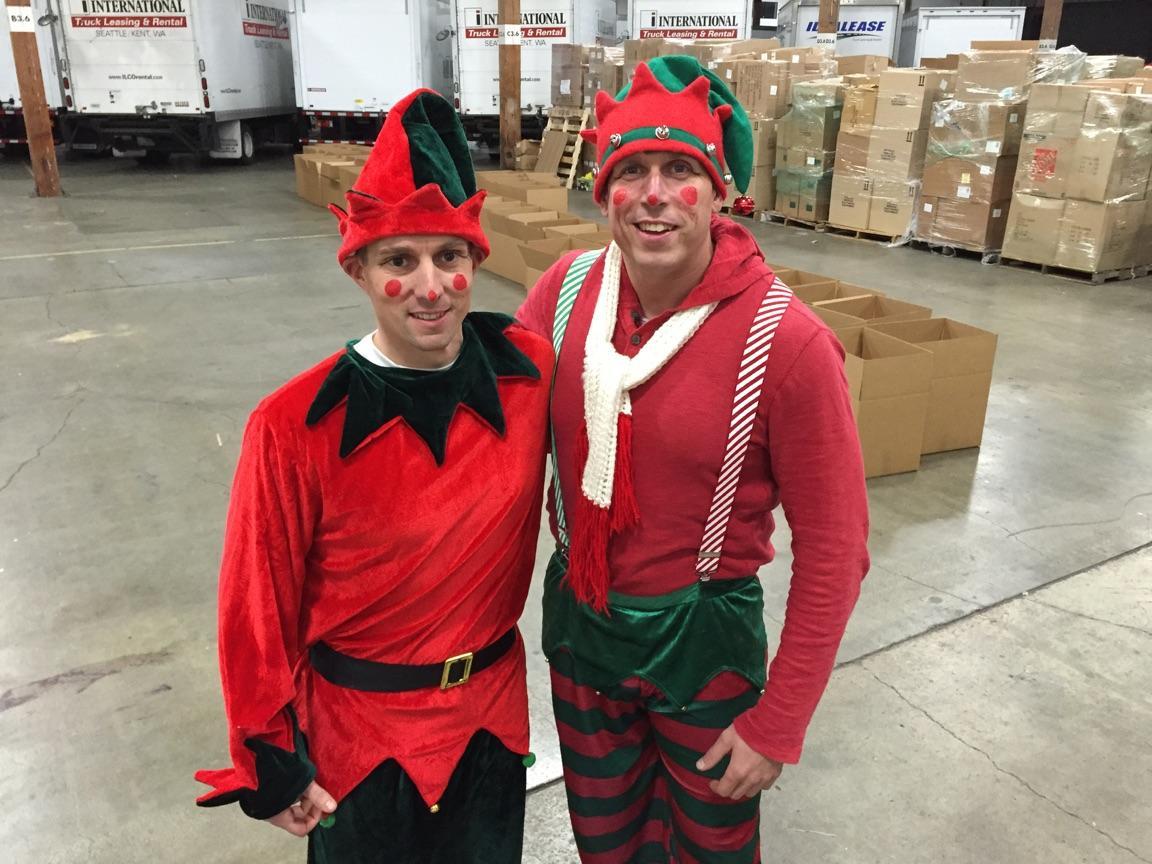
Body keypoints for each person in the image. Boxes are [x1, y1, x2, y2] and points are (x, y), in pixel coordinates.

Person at [516, 57, 870, 863]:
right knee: (604, 846)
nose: (653, 194)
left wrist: (779, 723)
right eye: (631, 169)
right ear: (603, 189)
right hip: (582, 641)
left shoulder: (787, 342)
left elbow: (837, 551)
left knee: (709, 854)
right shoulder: (563, 296)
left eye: (681, 170)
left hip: (703, 652)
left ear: (721, 193)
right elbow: (491, 459)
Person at [195, 88, 553, 864]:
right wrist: (266, 748)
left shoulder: (528, 374)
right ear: (357, 268)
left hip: (490, 720)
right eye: (400, 260)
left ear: (474, 262)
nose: (430, 287)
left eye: (449, 256)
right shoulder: (293, 424)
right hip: (358, 736)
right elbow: (256, 603)